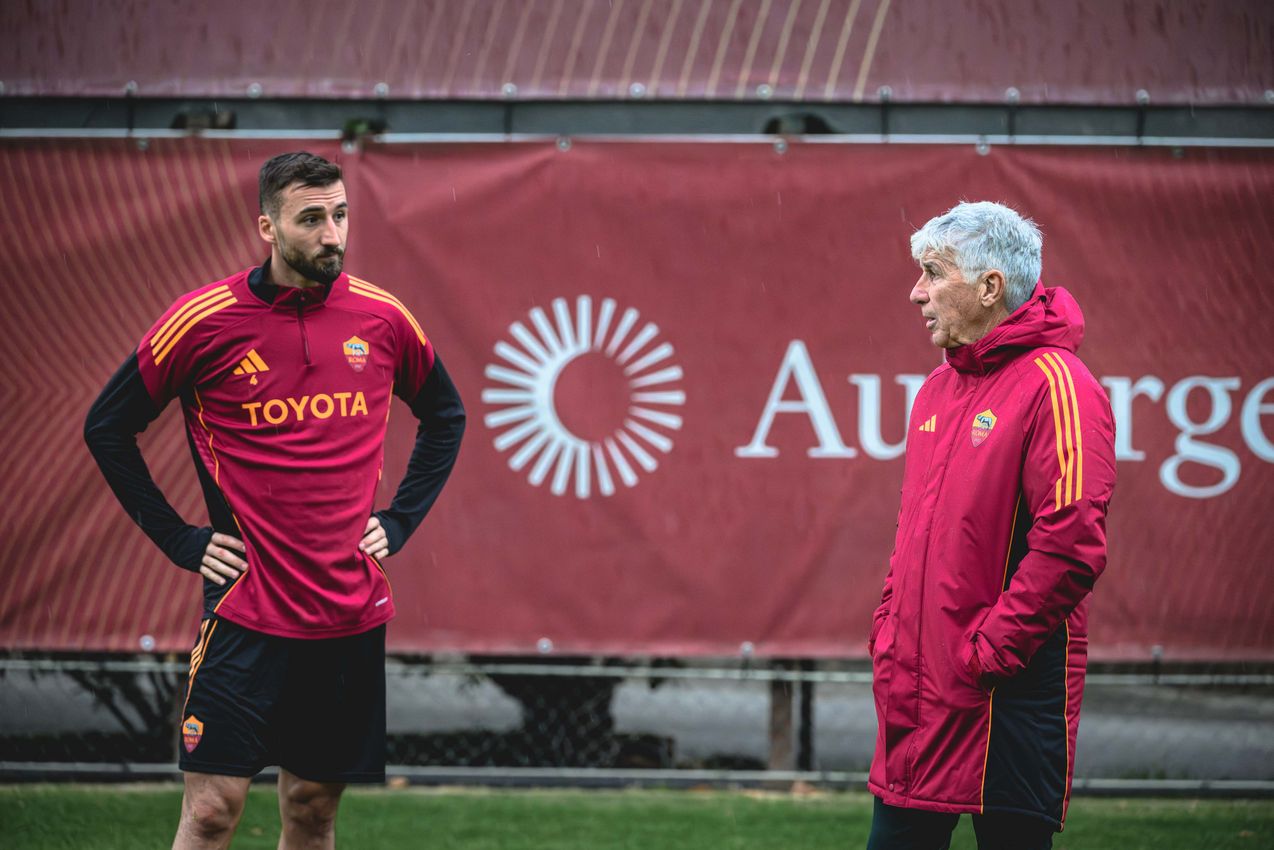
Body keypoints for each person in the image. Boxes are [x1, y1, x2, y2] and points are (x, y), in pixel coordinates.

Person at [84, 151, 465, 848]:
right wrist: (181, 539)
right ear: (268, 226)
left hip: (346, 616)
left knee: (314, 813)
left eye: (341, 216)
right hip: (245, 614)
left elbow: (447, 416)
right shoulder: (202, 320)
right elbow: (107, 427)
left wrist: (401, 519)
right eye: (312, 218)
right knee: (210, 813)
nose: (332, 235)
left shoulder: (382, 317)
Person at [866, 202, 1116, 850]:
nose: (915, 291)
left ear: (988, 287)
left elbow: (1071, 546)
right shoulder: (935, 392)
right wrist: (892, 626)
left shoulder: (1059, 384)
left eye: (932, 272)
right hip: (921, 694)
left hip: (1003, 695)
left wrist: (987, 653)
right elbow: (913, 534)